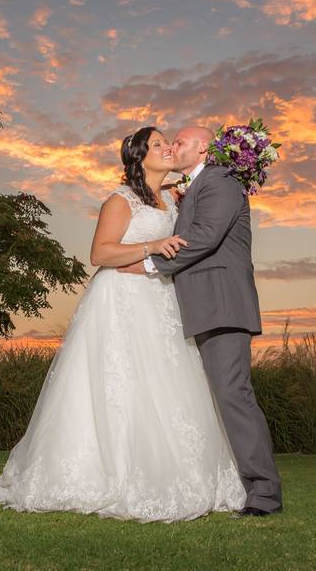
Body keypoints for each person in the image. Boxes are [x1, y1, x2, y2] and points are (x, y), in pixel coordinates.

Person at [0, 126, 246, 523]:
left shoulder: (175, 197)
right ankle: (104, 472)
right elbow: (100, 252)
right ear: (139, 157)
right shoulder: (120, 201)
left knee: (166, 382)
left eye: (169, 141)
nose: (167, 147)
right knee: (118, 383)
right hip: (120, 299)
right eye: (157, 145)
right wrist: (152, 246)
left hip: (161, 300)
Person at [120, 126, 283, 516]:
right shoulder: (197, 186)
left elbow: (206, 236)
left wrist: (148, 265)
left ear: (203, 148)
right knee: (223, 397)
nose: (173, 147)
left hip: (223, 305)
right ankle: (248, 487)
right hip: (205, 307)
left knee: (234, 395)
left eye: (179, 142)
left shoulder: (221, 180)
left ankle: (264, 494)